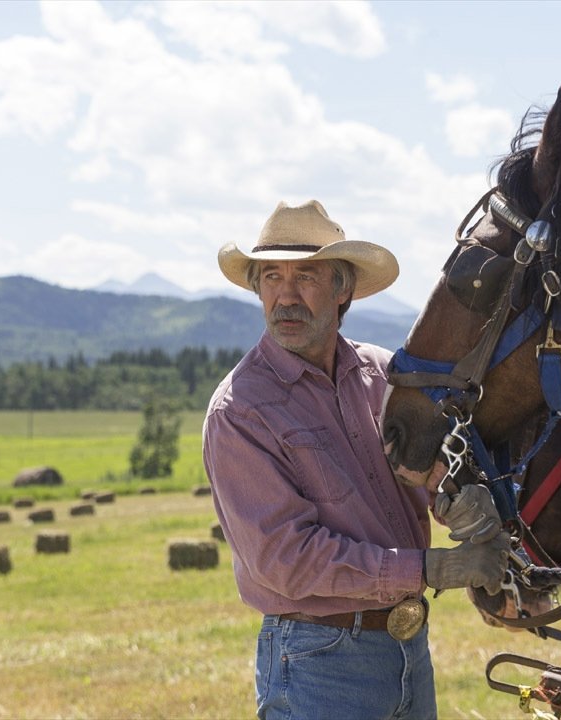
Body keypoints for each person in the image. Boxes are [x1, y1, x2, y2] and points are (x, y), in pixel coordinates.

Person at [202, 200, 510, 720]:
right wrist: (428, 568)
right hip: (317, 662)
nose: (285, 295)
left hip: (407, 648)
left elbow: (426, 467)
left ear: (343, 289)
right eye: (271, 277)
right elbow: (286, 558)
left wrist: (457, 498)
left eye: (306, 276)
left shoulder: (382, 375)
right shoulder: (240, 411)